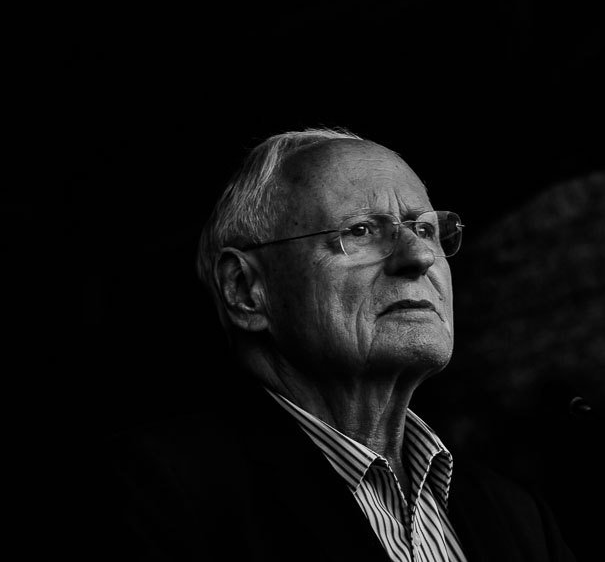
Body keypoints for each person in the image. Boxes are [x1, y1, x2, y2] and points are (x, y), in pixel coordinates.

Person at [97, 127, 577, 561]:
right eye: (361, 231)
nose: (419, 255)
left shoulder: (520, 518)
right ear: (246, 291)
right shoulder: (150, 493)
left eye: (426, 228)